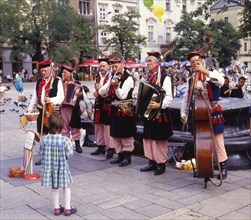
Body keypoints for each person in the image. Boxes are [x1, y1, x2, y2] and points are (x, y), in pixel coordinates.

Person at [180, 51, 228, 179]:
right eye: (192, 62)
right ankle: (205, 166)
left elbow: (221, 81)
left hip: (213, 112)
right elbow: (186, 99)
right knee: (201, 142)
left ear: (202, 62)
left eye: (197, 61)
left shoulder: (211, 73)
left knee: (218, 142)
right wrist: (183, 113)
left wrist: (204, 71)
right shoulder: (191, 80)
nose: (195, 64)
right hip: (199, 115)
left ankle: (223, 167)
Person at [140, 52, 173, 175]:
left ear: (157, 64)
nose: (147, 64)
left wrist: (159, 105)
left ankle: (161, 163)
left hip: (160, 113)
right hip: (149, 113)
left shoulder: (165, 77)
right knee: (149, 138)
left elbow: (169, 97)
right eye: (147, 61)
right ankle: (151, 162)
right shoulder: (149, 78)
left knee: (159, 140)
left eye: (150, 61)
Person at [100, 57, 136, 166]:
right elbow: (103, 92)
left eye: (116, 66)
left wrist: (116, 87)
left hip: (125, 109)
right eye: (113, 67)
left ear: (122, 65)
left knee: (125, 133)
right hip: (115, 108)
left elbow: (122, 95)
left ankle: (127, 156)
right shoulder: (113, 76)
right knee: (115, 133)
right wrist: (101, 90)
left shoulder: (128, 78)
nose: (114, 68)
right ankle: (119, 155)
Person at [27, 59, 64, 165]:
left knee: (53, 133)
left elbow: (61, 97)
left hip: (52, 111)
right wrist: (30, 109)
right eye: (42, 71)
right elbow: (35, 96)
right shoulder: (39, 82)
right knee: (42, 134)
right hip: (41, 110)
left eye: (45, 71)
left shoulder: (57, 81)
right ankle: (44, 156)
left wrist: (51, 100)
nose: (43, 73)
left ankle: (55, 156)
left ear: (51, 70)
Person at [39, 114, 77, 216]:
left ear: (48, 125)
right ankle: (68, 208)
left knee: (54, 187)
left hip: (50, 168)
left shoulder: (44, 139)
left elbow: (41, 153)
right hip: (62, 168)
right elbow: (69, 154)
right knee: (66, 187)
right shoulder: (65, 140)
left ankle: (56, 208)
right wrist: (71, 143)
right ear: (61, 126)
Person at [90, 58, 115, 159]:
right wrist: (94, 91)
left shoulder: (111, 76)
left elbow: (106, 89)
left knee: (107, 127)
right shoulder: (97, 76)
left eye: (103, 66)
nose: (101, 68)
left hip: (107, 103)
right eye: (100, 66)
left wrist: (99, 89)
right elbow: (94, 86)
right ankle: (100, 145)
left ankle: (110, 148)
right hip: (98, 103)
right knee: (98, 125)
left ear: (108, 67)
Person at [60, 64, 83, 153]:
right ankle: (66, 146)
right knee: (64, 127)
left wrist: (79, 95)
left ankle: (77, 145)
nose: (63, 75)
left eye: (65, 73)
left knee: (75, 127)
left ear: (70, 74)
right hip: (63, 107)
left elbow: (82, 96)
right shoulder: (61, 84)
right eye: (62, 73)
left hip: (74, 108)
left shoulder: (77, 84)